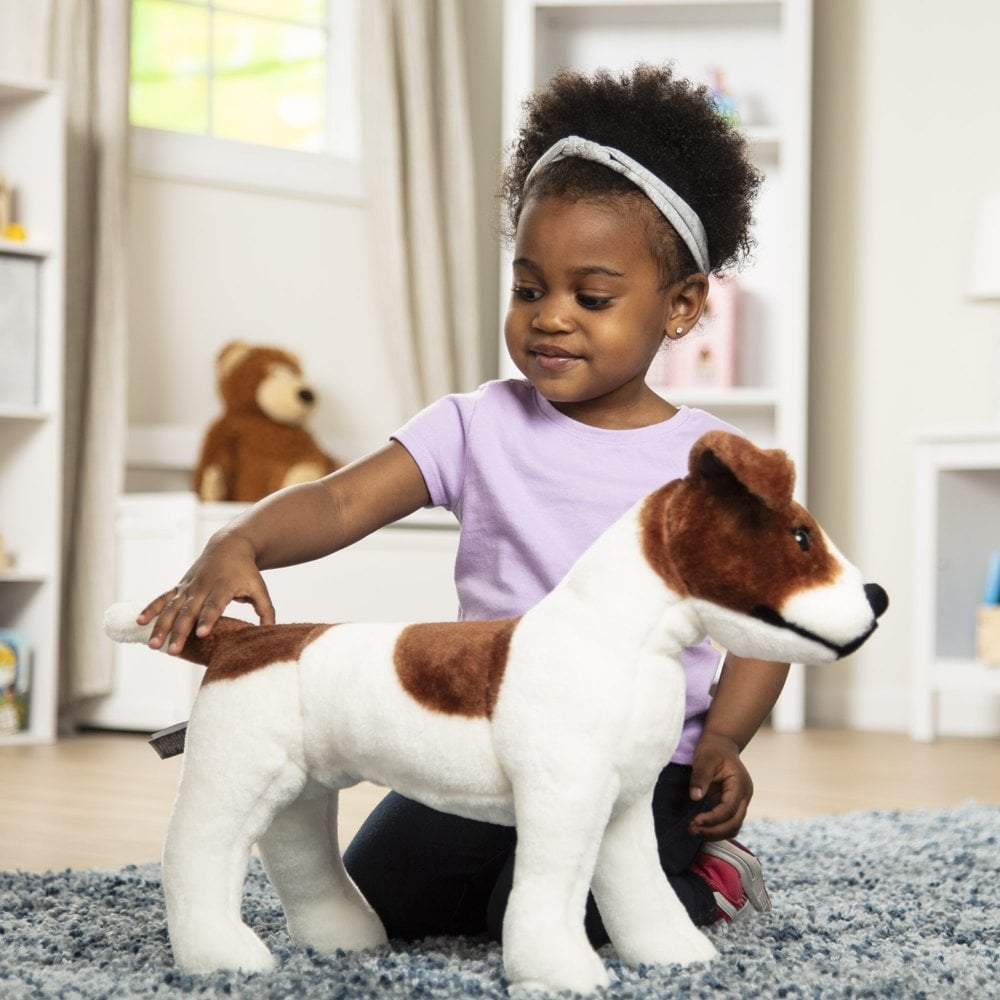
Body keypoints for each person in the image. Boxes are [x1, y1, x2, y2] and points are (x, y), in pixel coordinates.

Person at [138, 63, 784, 943]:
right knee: (386, 903)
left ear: (680, 307)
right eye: (528, 289)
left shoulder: (706, 464)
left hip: (633, 762)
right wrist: (240, 540)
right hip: (478, 741)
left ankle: (713, 874)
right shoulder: (478, 425)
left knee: (574, 915)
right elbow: (336, 504)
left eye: (591, 297)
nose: (550, 317)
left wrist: (725, 744)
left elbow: (763, 621)